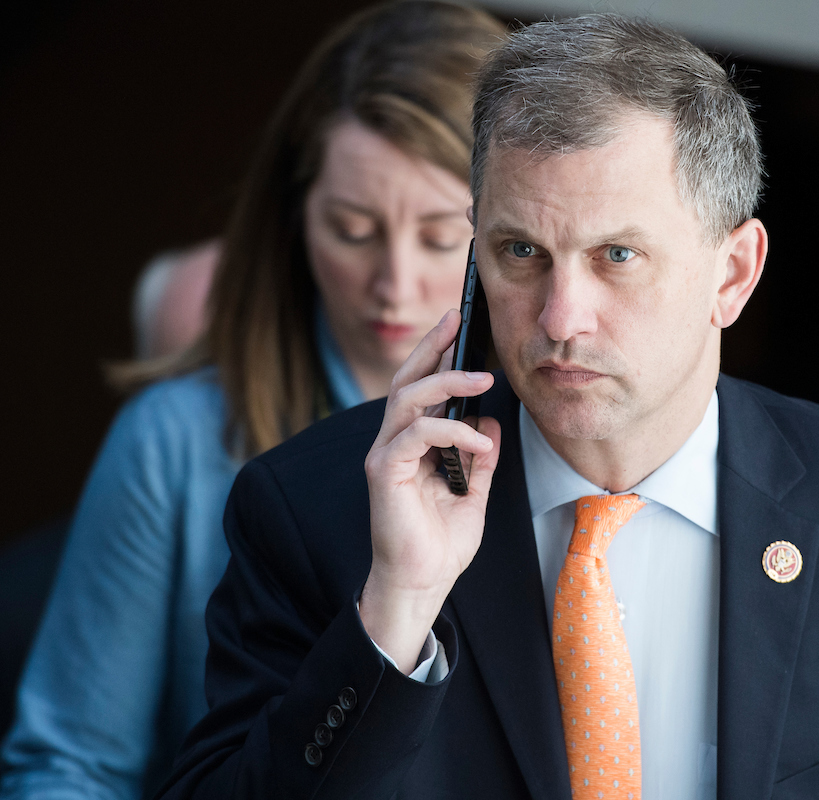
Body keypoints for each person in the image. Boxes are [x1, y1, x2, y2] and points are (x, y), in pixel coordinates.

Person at [157, 14, 819, 800]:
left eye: (617, 255)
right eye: (520, 252)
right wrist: (397, 612)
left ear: (732, 273)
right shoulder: (316, 511)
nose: (559, 319)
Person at [0, 4, 507, 798]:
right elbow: (68, 769)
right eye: (351, 228)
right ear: (296, 213)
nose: (395, 284)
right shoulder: (176, 442)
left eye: (443, 239)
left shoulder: (557, 438)